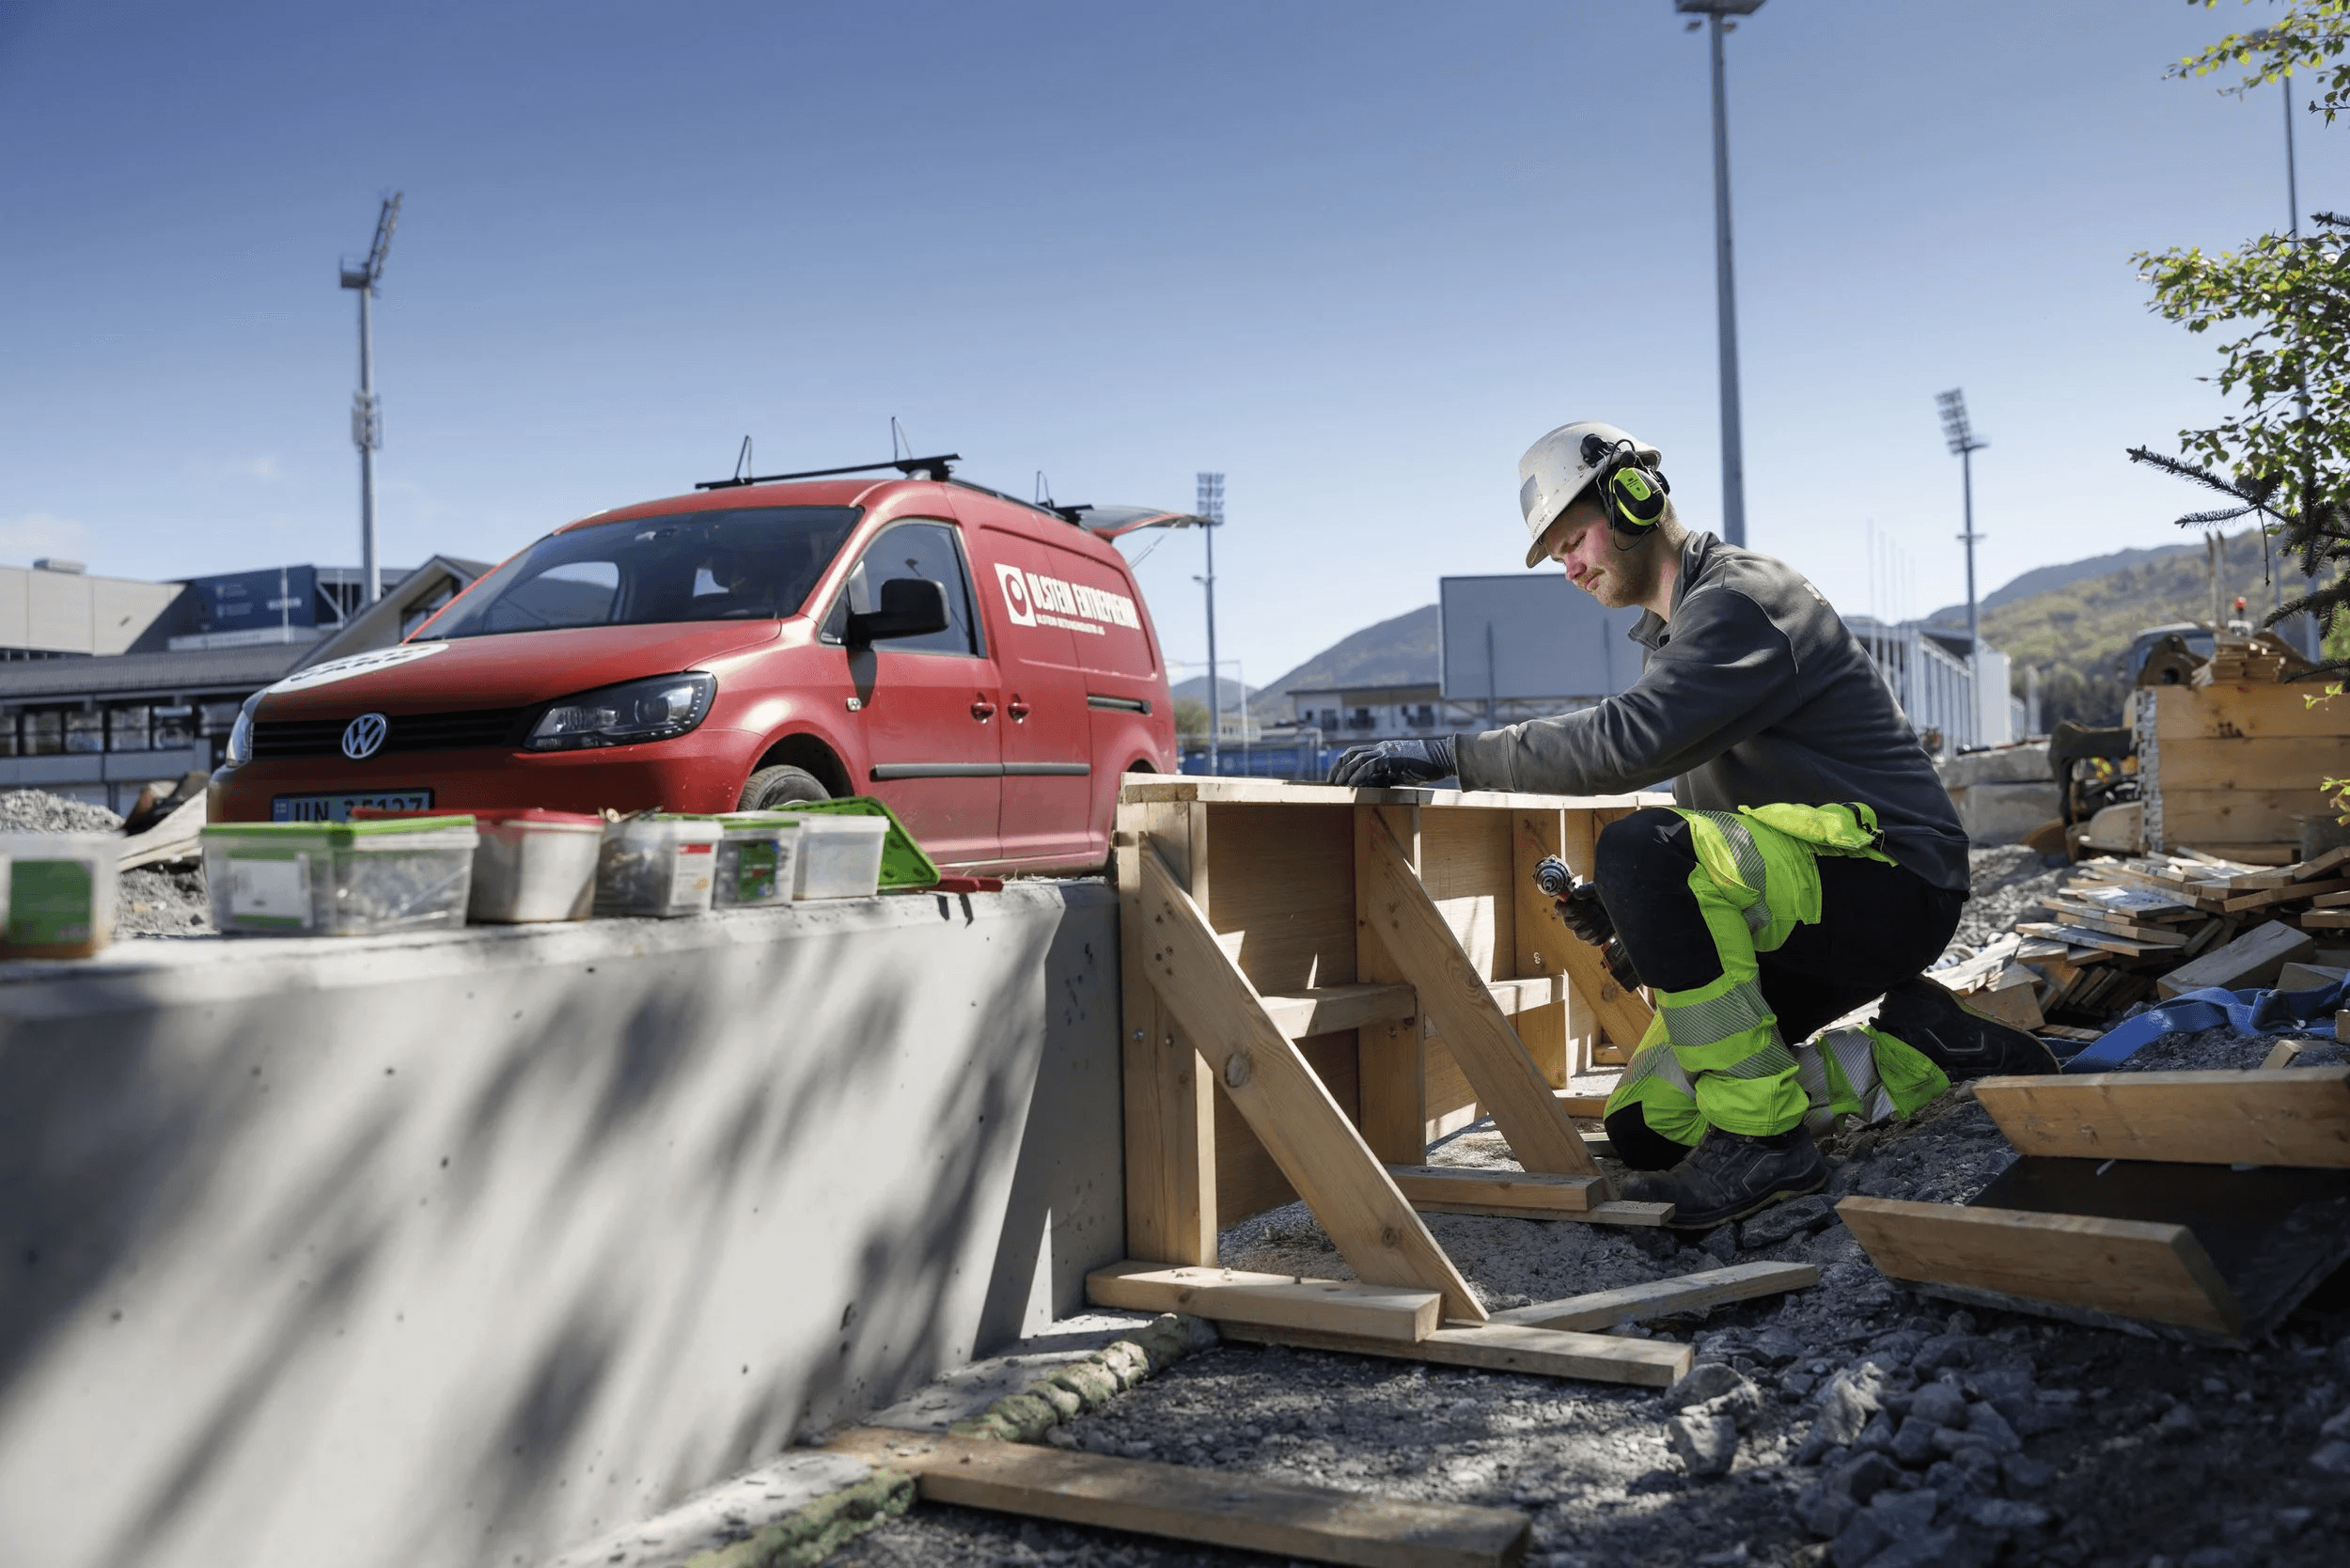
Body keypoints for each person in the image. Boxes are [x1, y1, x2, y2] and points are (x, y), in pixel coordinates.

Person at [1328, 420, 2054, 1230]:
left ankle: (1767, 1150)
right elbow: (1715, 828)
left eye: (1576, 540)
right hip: (1810, 898)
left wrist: (1450, 753)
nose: (1569, 569)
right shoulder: (1677, 637)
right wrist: (1638, 913)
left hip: (1890, 881)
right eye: (1557, 555)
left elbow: (1626, 744)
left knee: (1643, 849)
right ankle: (1927, 1050)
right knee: (1646, 1126)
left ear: (1635, 500)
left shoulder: (1744, 602)